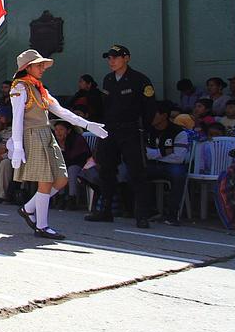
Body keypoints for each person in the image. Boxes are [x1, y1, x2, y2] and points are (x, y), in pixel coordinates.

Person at [9, 49, 107, 239]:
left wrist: (87, 124)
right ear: (28, 67)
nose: (43, 68)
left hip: (46, 134)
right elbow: (17, 118)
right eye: (39, 65)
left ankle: (28, 209)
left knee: (61, 179)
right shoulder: (19, 88)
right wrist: (18, 146)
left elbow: (61, 111)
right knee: (45, 180)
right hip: (33, 135)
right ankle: (42, 226)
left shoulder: (39, 88)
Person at [85, 44, 156, 228]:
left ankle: (141, 215)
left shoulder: (140, 80)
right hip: (110, 131)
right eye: (109, 58)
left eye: (115, 57)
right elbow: (105, 107)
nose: (111, 61)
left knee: (137, 172)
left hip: (132, 131)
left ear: (126, 58)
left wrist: (143, 129)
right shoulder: (108, 79)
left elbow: (149, 109)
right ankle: (106, 210)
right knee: (106, 170)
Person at [145, 102, 190, 226]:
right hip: (152, 165)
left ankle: (172, 214)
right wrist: (164, 152)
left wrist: (154, 154)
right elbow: (143, 153)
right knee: (134, 171)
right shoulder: (147, 130)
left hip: (171, 166)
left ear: (164, 115)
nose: (149, 117)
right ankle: (149, 210)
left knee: (178, 173)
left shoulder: (179, 132)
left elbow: (179, 158)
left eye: (153, 114)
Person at [52, 120, 91, 210]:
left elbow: (79, 157)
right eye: (56, 129)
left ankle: (71, 198)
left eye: (61, 129)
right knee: (60, 170)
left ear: (68, 131)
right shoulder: (53, 141)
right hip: (63, 165)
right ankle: (60, 197)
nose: (58, 132)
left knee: (71, 170)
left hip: (79, 165)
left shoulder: (77, 139)